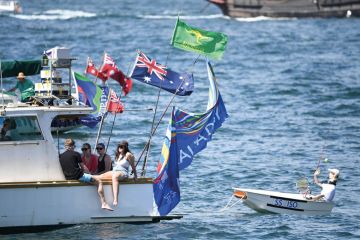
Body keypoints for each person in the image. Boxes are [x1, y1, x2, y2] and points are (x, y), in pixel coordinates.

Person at [59, 138, 113, 211]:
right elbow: (84, 167)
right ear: (72, 146)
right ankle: (104, 203)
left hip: (67, 177)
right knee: (99, 181)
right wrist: (91, 175)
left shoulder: (60, 156)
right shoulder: (76, 154)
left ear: (65, 146)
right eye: (74, 146)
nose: (74, 148)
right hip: (79, 176)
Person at [100, 140, 137, 206]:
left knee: (115, 177)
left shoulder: (128, 154)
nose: (120, 148)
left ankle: (115, 199)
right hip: (114, 171)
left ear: (125, 147)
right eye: (119, 146)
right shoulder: (118, 155)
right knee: (100, 176)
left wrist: (135, 176)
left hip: (123, 173)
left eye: (122, 147)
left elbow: (133, 167)